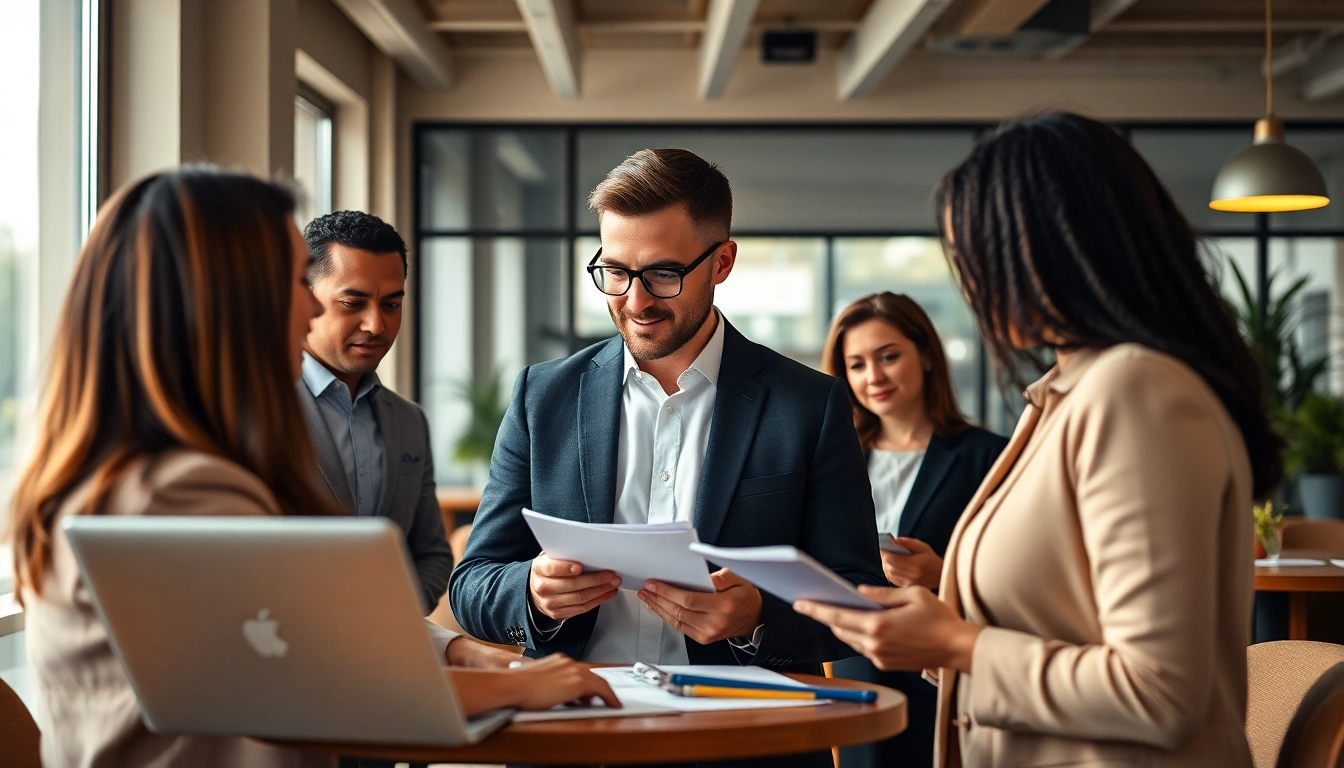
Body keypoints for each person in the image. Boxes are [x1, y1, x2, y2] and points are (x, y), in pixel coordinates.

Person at [8, 167, 618, 768]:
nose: (308, 304)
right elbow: (321, 684)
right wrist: (524, 684)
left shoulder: (129, 470)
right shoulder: (176, 491)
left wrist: (460, 653)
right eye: (291, 278)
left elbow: (297, 634)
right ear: (223, 300)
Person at [795, 113, 1280, 768]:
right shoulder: (1060, 395)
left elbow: (1161, 693)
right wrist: (937, 637)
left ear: (1059, 245)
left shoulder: (1137, 393)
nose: (972, 280)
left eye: (976, 252)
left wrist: (958, 645)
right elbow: (1054, 631)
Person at [450, 148, 885, 768]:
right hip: (575, 737)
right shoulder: (541, 397)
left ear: (723, 262)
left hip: (747, 744)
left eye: (662, 273)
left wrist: (757, 615)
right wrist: (533, 593)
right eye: (614, 271)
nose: (634, 300)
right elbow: (472, 584)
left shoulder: (807, 404)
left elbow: (860, 596)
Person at [820, 292, 1006, 768]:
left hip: (940, 673)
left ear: (926, 355)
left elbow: (1015, 580)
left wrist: (942, 575)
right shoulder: (835, 457)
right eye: (857, 364)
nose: (873, 377)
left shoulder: (988, 457)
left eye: (888, 356)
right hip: (850, 667)